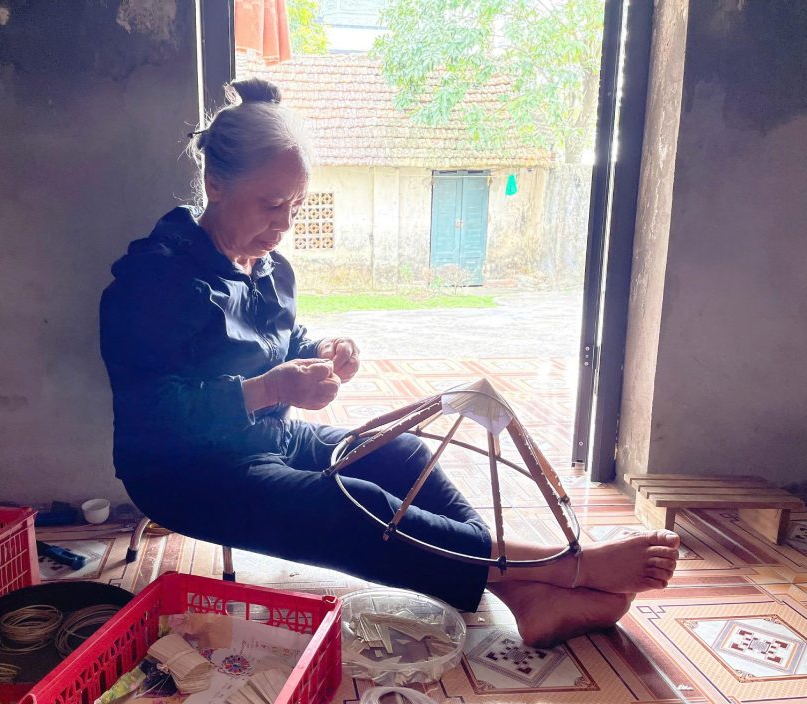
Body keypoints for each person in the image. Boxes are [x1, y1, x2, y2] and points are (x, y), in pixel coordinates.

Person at [99, 78, 680, 648]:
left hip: (267, 438)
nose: (284, 224)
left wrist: (322, 352)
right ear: (215, 184)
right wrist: (268, 388)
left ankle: (520, 591)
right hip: (185, 471)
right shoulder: (156, 278)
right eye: (272, 204)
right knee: (351, 505)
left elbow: (284, 340)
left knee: (400, 453)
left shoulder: (270, 267)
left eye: (296, 206)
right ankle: (566, 569)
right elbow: (151, 414)